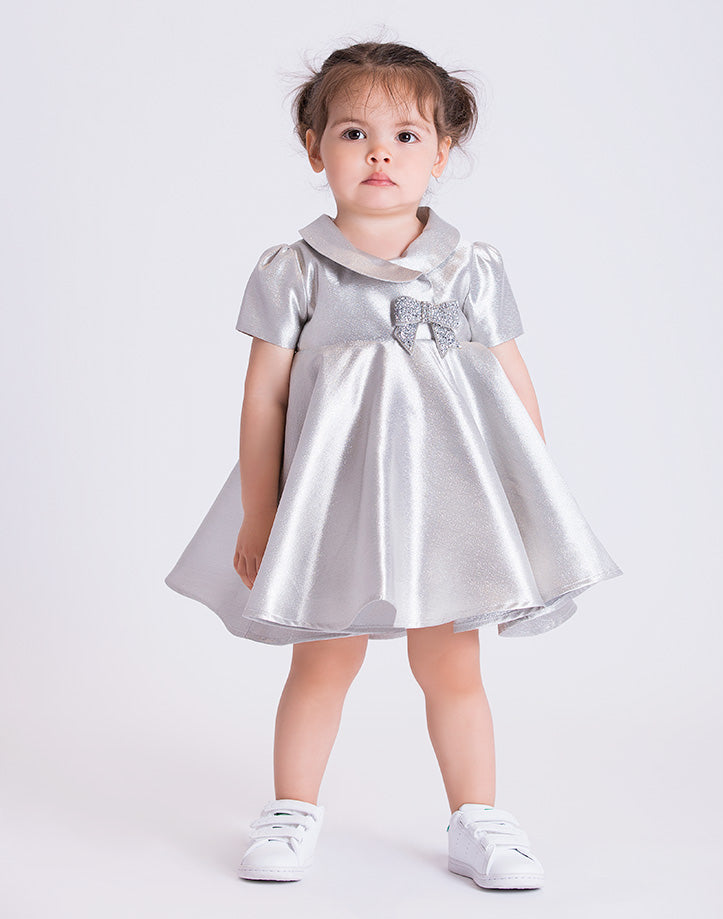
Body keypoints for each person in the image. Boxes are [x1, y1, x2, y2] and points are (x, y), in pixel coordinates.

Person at [164, 39, 623, 890]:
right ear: (315, 148)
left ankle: (478, 818)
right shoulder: (295, 270)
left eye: (406, 136)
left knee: (451, 664)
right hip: (334, 503)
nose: (380, 153)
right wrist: (261, 510)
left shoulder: (469, 267)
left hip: (448, 505)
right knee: (323, 659)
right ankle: (291, 808)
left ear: (441, 152)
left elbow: (512, 381)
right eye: (354, 133)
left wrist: (527, 501)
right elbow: (264, 398)